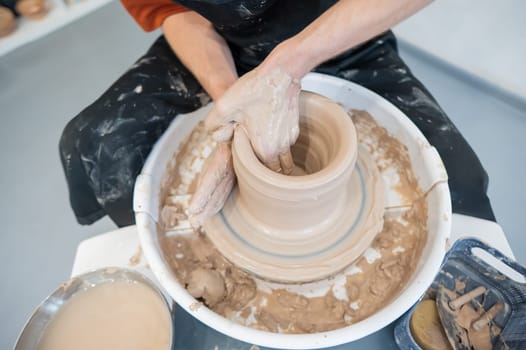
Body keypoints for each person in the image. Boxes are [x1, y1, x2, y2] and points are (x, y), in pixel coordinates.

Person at [59, 0, 495, 227]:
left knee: (457, 187)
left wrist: (288, 65)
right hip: (224, 48)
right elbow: (175, 12)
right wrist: (233, 103)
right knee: (98, 144)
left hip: (342, 36)